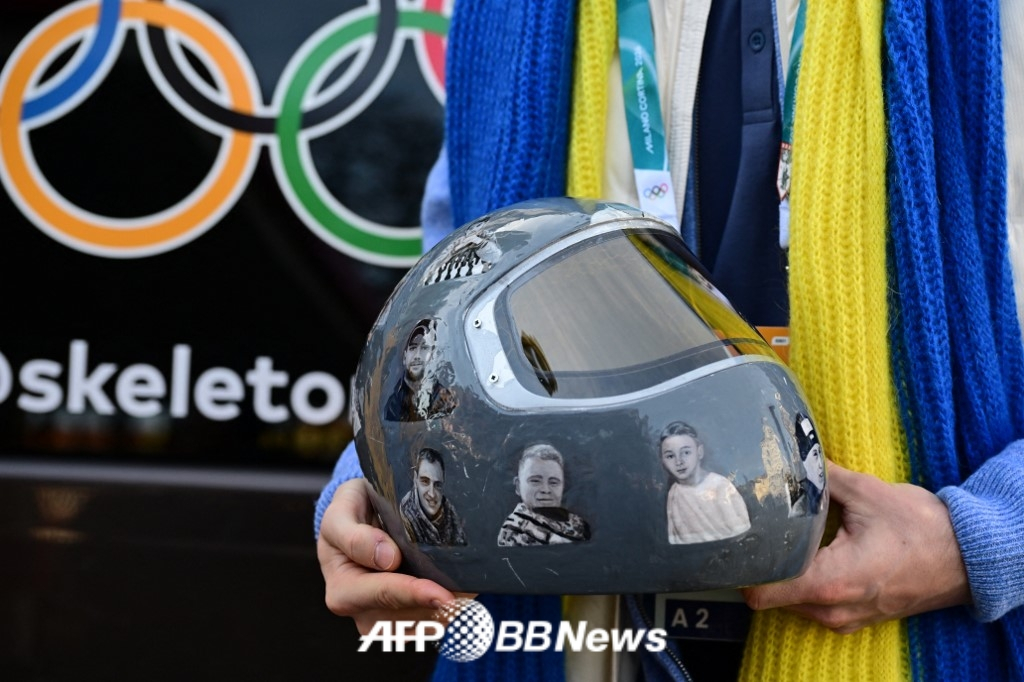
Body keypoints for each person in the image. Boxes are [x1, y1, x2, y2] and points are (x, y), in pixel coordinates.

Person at [315, 0, 1024, 679]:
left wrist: (984, 538)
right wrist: (382, 487)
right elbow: (450, 301)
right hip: (579, 643)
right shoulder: (503, 11)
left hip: (901, 636)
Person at [658, 421, 750, 544]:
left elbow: (740, 531)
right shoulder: (674, 493)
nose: (679, 461)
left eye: (686, 452)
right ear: (663, 460)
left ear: (699, 452)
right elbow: (675, 538)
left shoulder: (720, 485)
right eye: (670, 456)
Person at [497, 443, 591, 546]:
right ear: (518, 486)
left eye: (553, 482)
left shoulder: (578, 523)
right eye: (535, 481)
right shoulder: (513, 531)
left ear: (563, 486)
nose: (545, 490)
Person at [384, 319, 456, 422]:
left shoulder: (444, 399)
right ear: (404, 357)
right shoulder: (393, 405)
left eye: (424, 348)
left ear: (433, 355)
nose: (417, 355)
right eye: (413, 348)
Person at [400, 447, 467, 546]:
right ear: (415, 479)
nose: (432, 494)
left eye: (437, 485)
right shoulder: (406, 516)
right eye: (425, 481)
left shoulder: (449, 511)